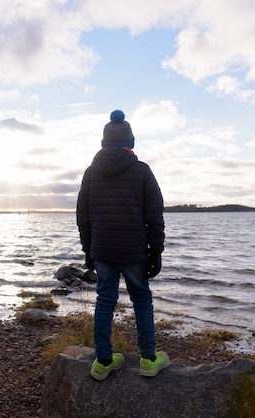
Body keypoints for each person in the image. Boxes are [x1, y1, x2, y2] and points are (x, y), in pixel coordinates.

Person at [76, 109, 169, 380]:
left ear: (104, 143)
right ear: (131, 143)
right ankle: (149, 359)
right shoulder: (142, 171)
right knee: (141, 299)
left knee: (105, 301)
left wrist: (88, 251)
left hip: (103, 249)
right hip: (134, 251)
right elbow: (154, 216)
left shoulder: (91, 173)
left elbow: (83, 217)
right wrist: (156, 253)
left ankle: (103, 360)